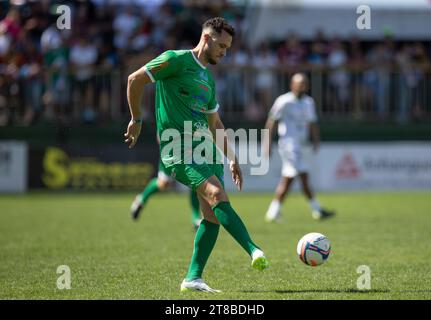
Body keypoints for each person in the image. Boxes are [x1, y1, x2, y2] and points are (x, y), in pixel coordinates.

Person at [124, 17, 268, 293]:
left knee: (211, 216)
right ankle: (254, 249)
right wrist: (136, 119)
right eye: (222, 46)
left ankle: (193, 278)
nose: (225, 52)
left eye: (228, 47)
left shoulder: (207, 79)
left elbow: (215, 124)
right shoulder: (175, 60)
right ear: (207, 37)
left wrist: (232, 157)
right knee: (216, 195)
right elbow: (135, 79)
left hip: (206, 150)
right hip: (176, 148)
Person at [264, 73, 335, 222]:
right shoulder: (284, 101)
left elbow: (312, 122)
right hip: (288, 144)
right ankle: (317, 209)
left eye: (304, 83)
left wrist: (316, 140)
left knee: (290, 178)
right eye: (299, 83)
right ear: (292, 85)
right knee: (300, 175)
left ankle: (273, 211)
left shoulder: (309, 102)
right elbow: (271, 122)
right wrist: (267, 143)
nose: (301, 86)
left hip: (301, 145)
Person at [130, 159, 202, 230]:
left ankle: (195, 219)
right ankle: (141, 199)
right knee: (163, 183)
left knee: (196, 182)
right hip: (171, 152)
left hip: (190, 153)